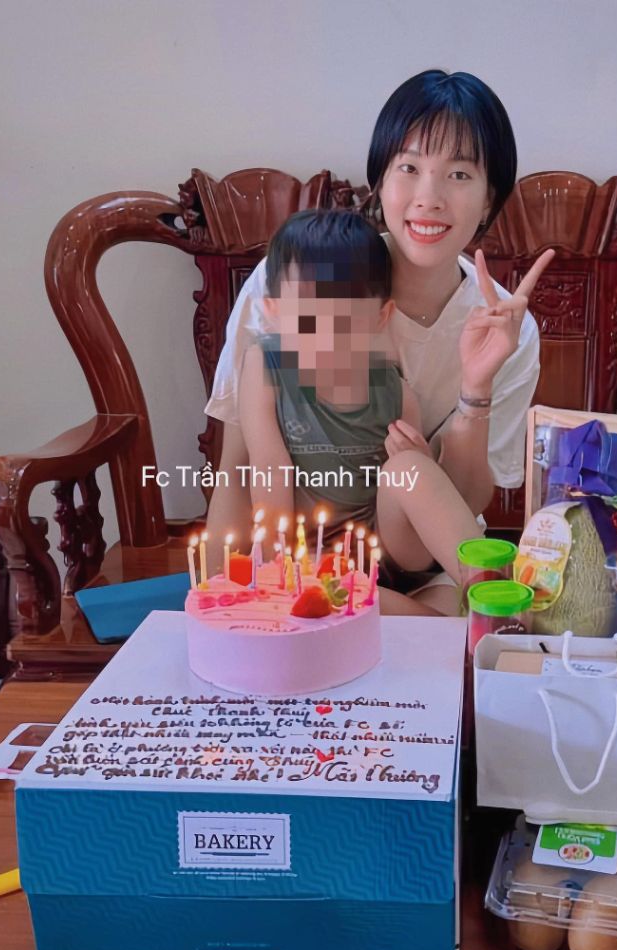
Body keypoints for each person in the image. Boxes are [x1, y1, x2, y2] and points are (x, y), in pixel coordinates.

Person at [206, 69, 554, 612]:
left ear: (490, 200)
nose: (429, 198)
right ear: (380, 181)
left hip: (423, 557)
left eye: (459, 175)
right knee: (384, 629)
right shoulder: (295, 286)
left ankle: (472, 616)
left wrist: (475, 389)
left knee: (407, 473)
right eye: (409, 167)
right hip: (306, 557)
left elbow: (464, 499)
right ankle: (393, 617)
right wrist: (216, 597)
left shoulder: (505, 329)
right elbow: (240, 461)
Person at [240, 208, 488, 614]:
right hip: (314, 561)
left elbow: (413, 497)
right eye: (306, 322)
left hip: (391, 553)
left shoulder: (396, 392)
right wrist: (278, 564)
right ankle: (448, 625)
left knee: (409, 469)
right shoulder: (265, 368)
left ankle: (490, 588)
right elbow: (269, 465)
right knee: (336, 594)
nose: (325, 340)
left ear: (379, 317)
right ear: (272, 314)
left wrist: (420, 462)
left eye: (344, 324)